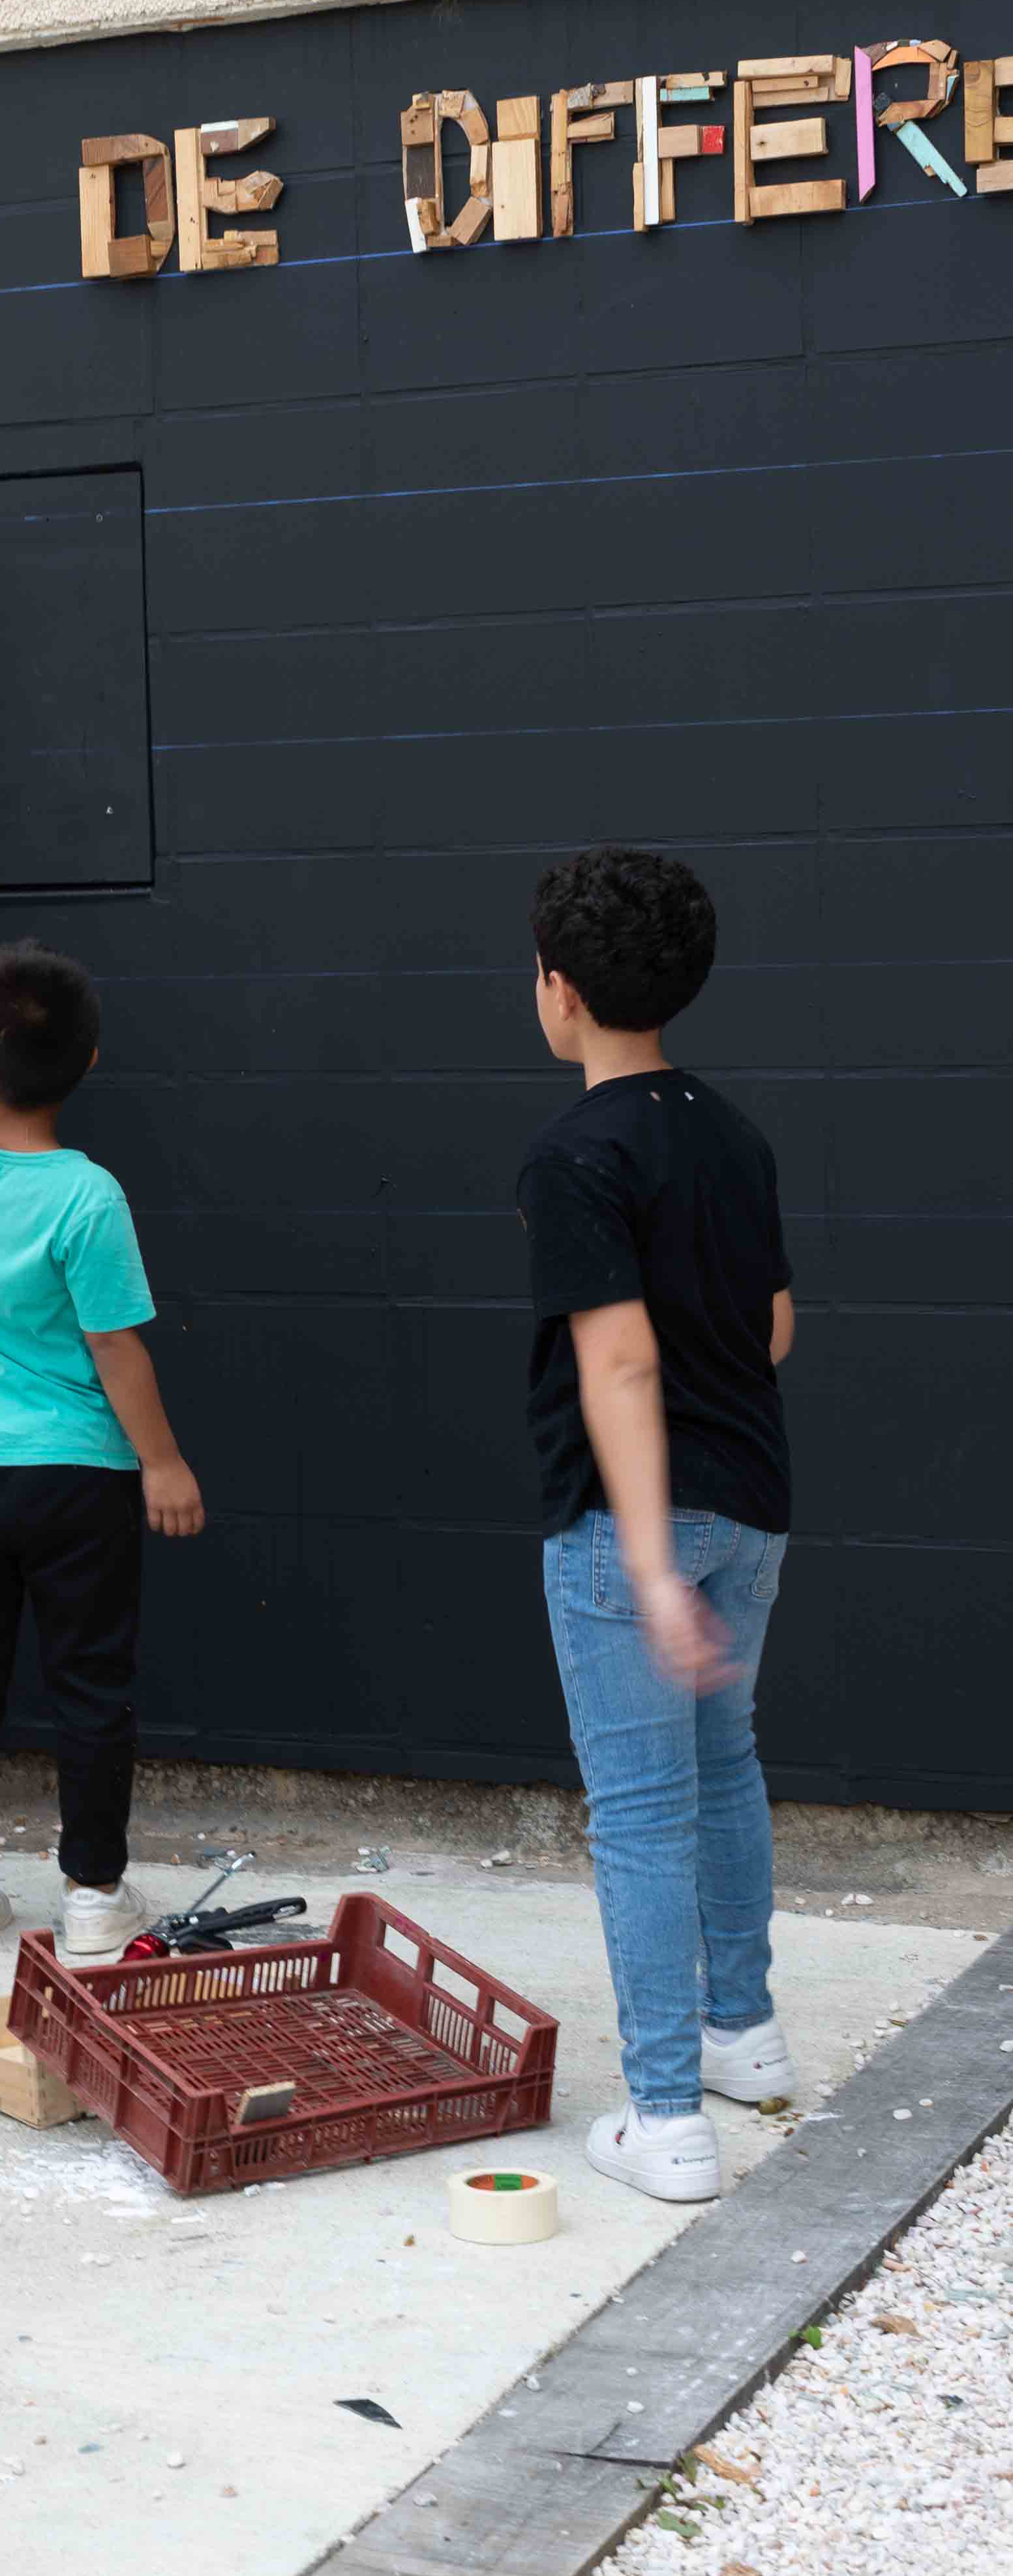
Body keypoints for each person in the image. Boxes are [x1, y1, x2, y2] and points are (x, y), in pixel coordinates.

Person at [519, 846, 797, 2206]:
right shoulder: (731, 1132)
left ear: (557, 991)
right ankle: (744, 2032)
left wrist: (638, 1547)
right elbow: (776, 1324)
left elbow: (617, 1361)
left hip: (636, 1525)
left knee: (637, 1813)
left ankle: (668, 2115)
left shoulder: (575, 1152)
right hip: (754, 1507)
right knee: (725, 1763)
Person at [0, 941, 204, 1961]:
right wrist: (162, 1462)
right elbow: (115, 1347)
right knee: (89, 1686)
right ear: (92, 1061)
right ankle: (94, 1895)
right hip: (80, 1480)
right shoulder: (87, 1196)